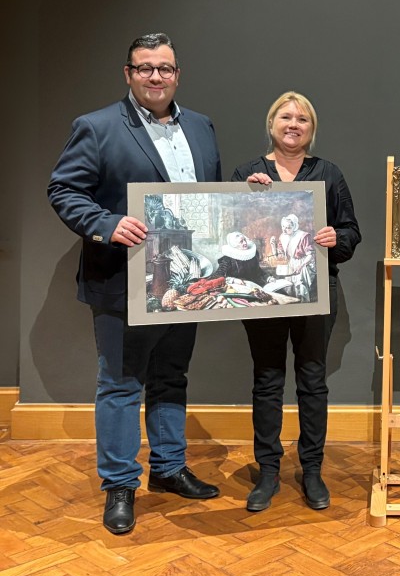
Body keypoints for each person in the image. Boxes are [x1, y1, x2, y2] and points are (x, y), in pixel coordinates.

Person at [47, 33, 223, 534]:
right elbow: (63, 189)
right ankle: (120, 485)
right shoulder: (97, 127)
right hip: (123, 281)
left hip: (184, 282)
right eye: (144, 68)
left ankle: (168, 470)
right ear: (128, 74)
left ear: (177, 74)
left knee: (171, 378)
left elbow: (207, 200)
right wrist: (106, 223)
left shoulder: (202, 126)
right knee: (122, 385)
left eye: (164, 68)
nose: (155, 77)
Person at [230, 90, 361, 512]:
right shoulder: (248, 173)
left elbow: (352, 234)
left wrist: (334, 237)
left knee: (312, 381)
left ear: (311, 129)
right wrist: (245, 199)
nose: (293, 124)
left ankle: (311, 470)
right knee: (267, 381)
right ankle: (268, 472)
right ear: (271, 125)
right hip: (264, 296)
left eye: (302, 119)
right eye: (285, 117)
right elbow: (234, 238)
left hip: (316, 292)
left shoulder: (328, 173)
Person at [274, 213, 315, 302]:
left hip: (304, 262)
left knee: (300, 282)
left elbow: (310, 255)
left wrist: (301, 266)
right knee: (289, 283)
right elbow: (280, 254)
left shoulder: (303, 236)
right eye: (283, 227)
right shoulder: (283, 237)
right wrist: (273, 245)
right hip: (292, 262)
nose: (284, 230)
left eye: (288, 228)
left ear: (294, 227)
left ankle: (303, 304)